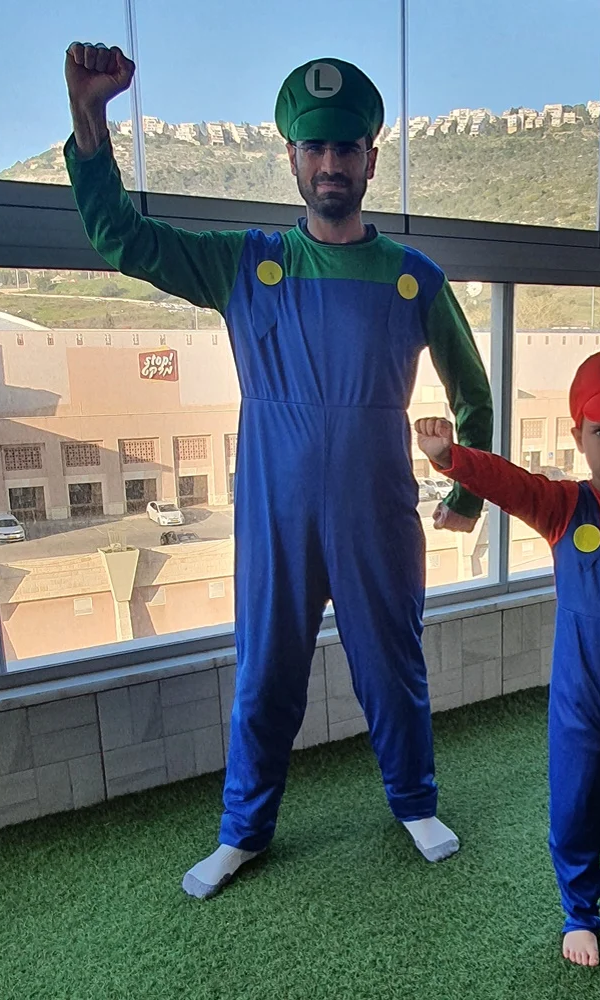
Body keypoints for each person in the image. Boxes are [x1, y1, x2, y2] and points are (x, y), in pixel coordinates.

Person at [63, 43, 493, 898]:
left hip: (377, 513)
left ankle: (415, 802)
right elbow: (122, 238)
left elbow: (474, 392)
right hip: (275, 512)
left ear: (371, 160)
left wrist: (466, 492)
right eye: (315, 147)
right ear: (292, 158)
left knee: (394, 668)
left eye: (347, 148)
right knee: (264, 675)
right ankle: (243, 831)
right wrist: (89, 119)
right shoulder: (244, 262)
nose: (331, 163)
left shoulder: (414, 278)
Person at [415, 349, 600, 967]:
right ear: (580, 437)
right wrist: (451, 458)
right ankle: (580, 913)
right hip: (582, 704)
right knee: (576, 808)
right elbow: (509, 484)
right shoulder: (564, 508)